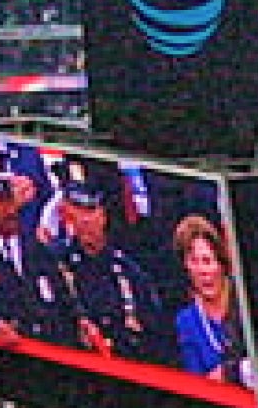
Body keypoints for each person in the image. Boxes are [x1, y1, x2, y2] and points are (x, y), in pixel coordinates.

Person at [0, 141, 83, 348]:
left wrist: (82, 320)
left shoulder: (34, 244)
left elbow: (64, 299)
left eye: (11, 196)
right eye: (0, 199)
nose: (9, 208)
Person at [41, 156, 167, 364]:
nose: (85, 219)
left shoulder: (128, 271)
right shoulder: (52, 263)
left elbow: (151, 336)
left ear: (103, 214)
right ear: (65, 213)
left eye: (91, 210)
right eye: (77, 209)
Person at [171, 212, 253, 389]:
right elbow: (197, 385)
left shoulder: (245, 302)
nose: (203, 271)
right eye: (194, 262)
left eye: (208, 261)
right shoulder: (186, 321)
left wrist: (226, 373)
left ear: (222, 264)